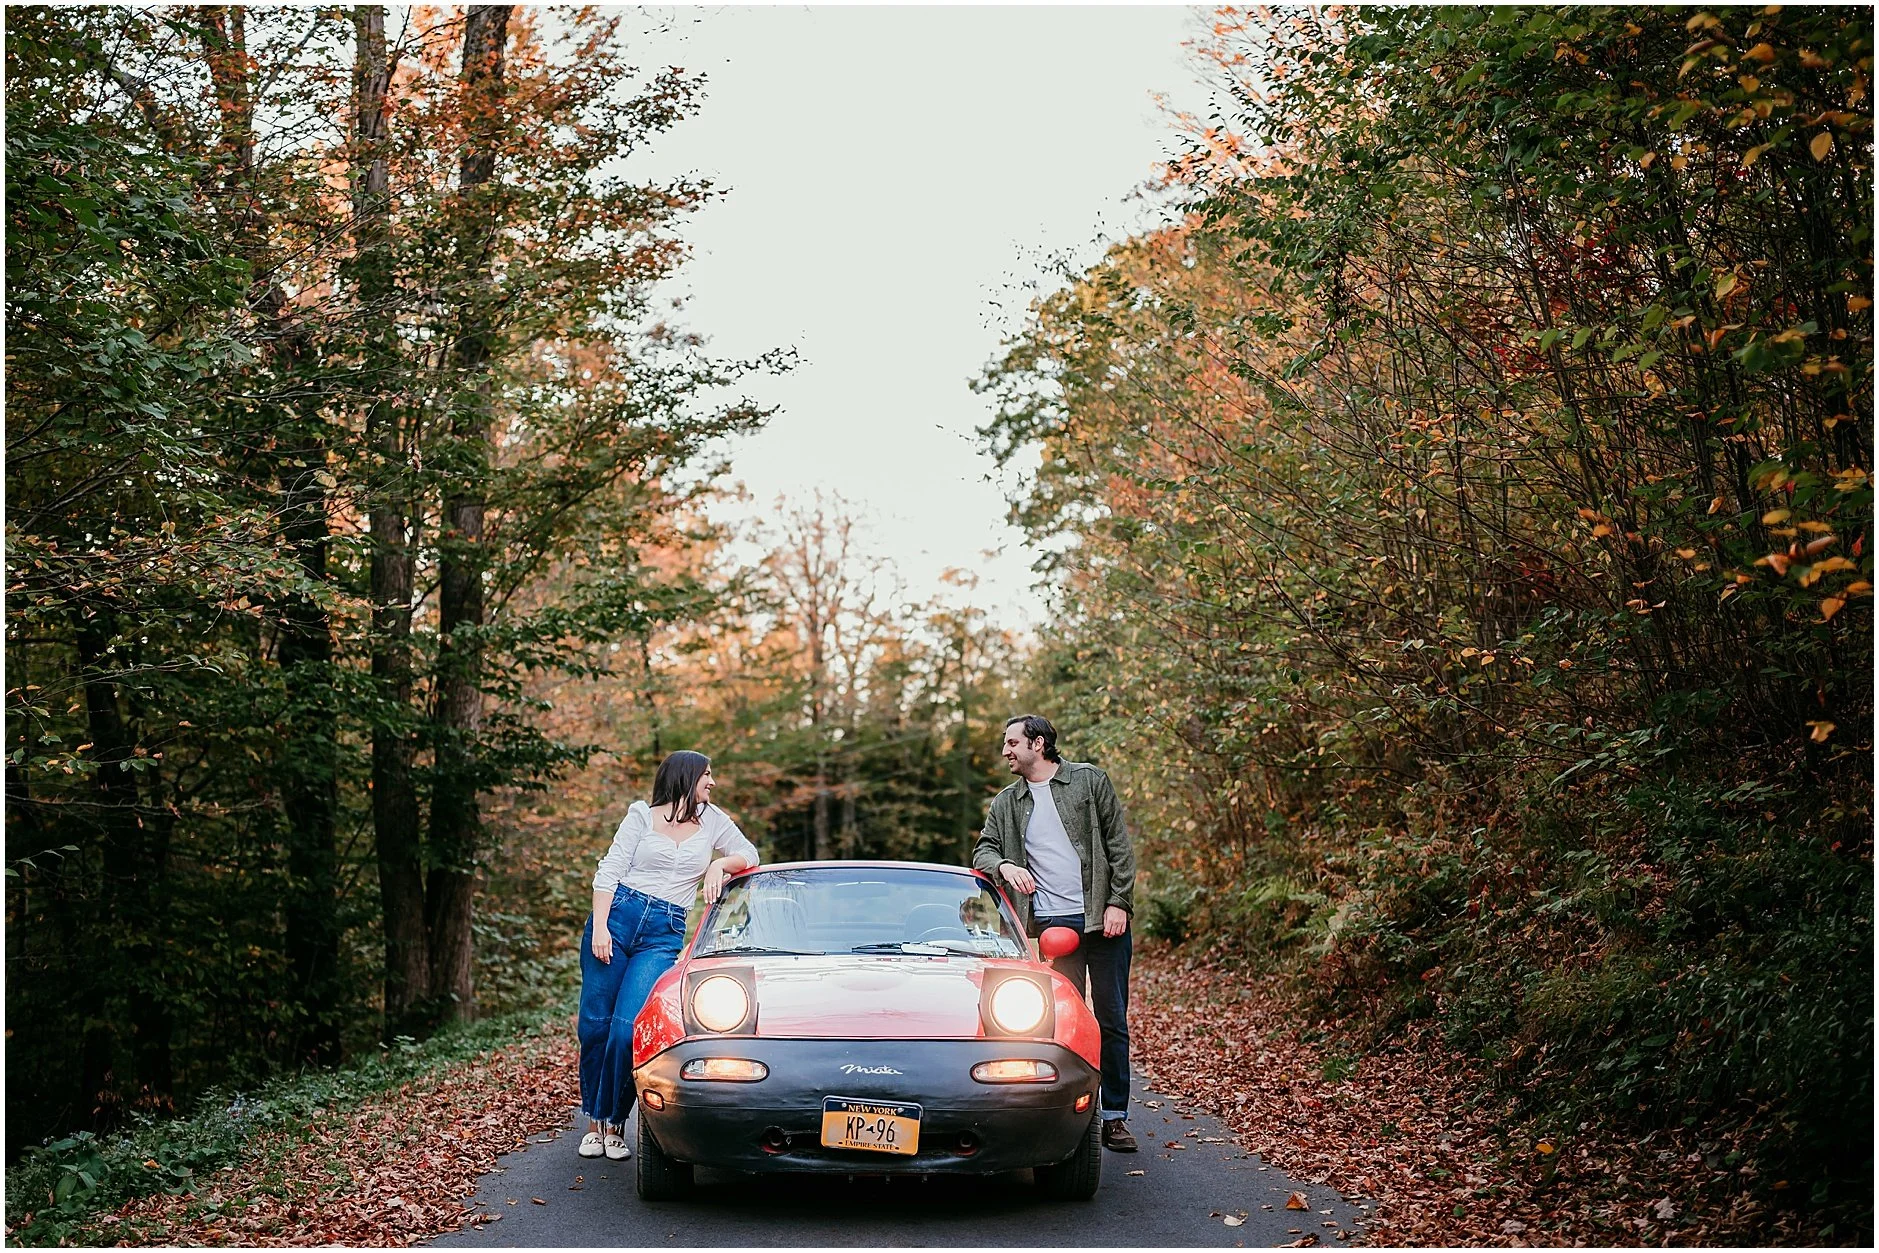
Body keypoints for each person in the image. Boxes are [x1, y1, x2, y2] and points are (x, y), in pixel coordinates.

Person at [577, 750, 759, 1160]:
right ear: (686, 777)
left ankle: (614, 1121)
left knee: (627, 1031)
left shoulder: (713, 821)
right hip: (616, 919)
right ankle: (593, 1123)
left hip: (662, 933)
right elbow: (609, 871)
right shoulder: (640, 816)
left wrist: (718, 866)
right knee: (595, 1027)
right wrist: (601, 926)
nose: (712, 782)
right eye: (707, 775)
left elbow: (750, 854)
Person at [972, 714, 1140, 1152]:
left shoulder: (1089, 781)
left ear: (1038, 743)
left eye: (1012, 743)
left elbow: (1118, 847)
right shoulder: (1007, 802)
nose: (1005, 751)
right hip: (1053, 926)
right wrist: (1004, 865)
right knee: (1063, 1024)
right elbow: (983, 850)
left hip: (1102, 920)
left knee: (1111, 1020)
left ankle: (1114, 1117)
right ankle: (1071, 1119)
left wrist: (1119, 902)